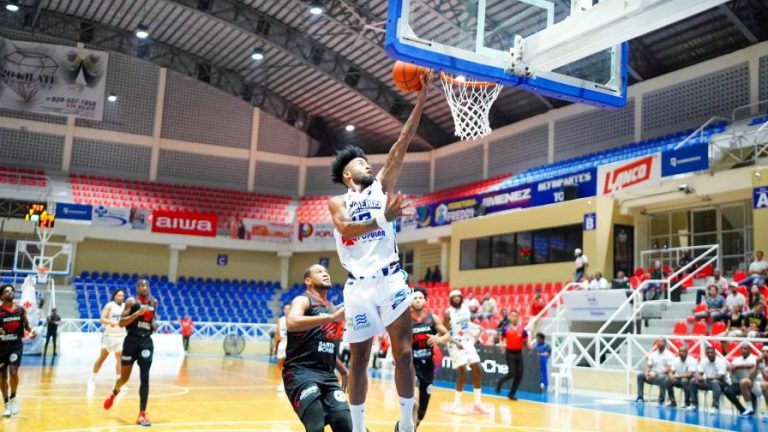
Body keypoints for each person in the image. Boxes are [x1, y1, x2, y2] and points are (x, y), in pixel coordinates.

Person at [328, 71, 433, 432]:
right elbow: (345, 229)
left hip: (390, 281)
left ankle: (406, 423)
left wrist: (420, 99)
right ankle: (358, 428)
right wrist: (382, 220)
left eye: (367, 162)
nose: (367, 164)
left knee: (403, 356)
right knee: (359, 362)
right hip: (358, 287)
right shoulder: (337, 201)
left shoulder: (380, 188)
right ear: (346, 174)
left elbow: (401, 142)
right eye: (359, 163)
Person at [283, 265, 351, 432]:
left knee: (345, 426)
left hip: (327, 376)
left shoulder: (332, 309)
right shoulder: (303, 300)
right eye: (319, 272)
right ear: (308, 281)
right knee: (316, 427)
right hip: (301, 373)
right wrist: (329, 318)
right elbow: (291, 323)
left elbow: (326, 347)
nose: (325, 274)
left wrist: (343, 370)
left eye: (326, 272)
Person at [103, 279, 159, 426]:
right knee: (124, 378)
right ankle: (114, 392)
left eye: (147, 285)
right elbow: (121, 323)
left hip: (146, 342)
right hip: (131, 341)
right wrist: (137, 314)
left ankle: (142, 414)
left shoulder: (154, 302)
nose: (145, 288)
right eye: (142, 286)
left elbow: (153, 319)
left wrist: (154, 325)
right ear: (137, 288)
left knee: (145, 377)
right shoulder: (131, 302)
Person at [410, 288, 456, 429]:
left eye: (420, 297)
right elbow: (397, 340)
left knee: (422, 409)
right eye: (415, 297)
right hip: (411, 366)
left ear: (425, 301)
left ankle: (413, 427)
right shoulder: (405, 320)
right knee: (414, 403)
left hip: (428, 367)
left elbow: (449, 334)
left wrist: (439, 339)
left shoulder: (432, 318)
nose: (417, 300)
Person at [444, 290, 488, 413]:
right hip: (455, 343)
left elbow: (466, 324)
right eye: (454, 297)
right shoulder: (448, 313)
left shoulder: (465, 309)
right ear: (451, 299)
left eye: (458, 296)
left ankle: (477, 403)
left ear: (462, 298)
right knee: (462, 372)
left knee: (478, 370)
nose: (457, 298)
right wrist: (455, 343)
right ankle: (456, 405)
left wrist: (477, 327)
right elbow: (445, 332)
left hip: (467, 341)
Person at [0, 284, 37, 417]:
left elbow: (26, 325)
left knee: (13, 372)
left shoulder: (20, 310)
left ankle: (13, 398)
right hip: (1, 348)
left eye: (12, 290)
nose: (10, 292)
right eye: (6, 291)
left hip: (16, 345)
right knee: (2, 376)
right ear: (1, 296)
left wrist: (32, 331)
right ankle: (6, 404)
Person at [88, 288, 127, 395]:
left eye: (123, 295)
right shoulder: (109, 305)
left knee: (120, 357)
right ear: (115, 296)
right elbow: (102, 319)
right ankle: (92, 379)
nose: (121, 297)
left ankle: (118, 383)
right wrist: (111, 322)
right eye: (119, 295)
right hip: (109, 336)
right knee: (102, 358)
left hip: (121, 336)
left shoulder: (125, 307)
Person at [495, 310, 528, 400]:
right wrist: (502, 344)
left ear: (518, 317)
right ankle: (500, 381)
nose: (514, 317)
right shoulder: (506, 329)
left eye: (515, 316)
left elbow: (525, 340)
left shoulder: (522, 330)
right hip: (509, 352)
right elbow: (502, 338)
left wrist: (528, 345)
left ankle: (511, 394)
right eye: (512, 316)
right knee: (512, 373)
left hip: (519, 353)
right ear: (510, 317)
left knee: (519, 374)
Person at [688, 346, 730, 413]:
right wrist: (698, 377)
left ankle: (715, 407)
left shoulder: (721, 362)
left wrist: (706, 378)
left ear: (715, 353)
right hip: (709, 382)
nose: (710, 354)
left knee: (715, 382)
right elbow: (699, 373)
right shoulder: (704, 361)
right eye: (708, 353)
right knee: (693, 381)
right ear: (706, 354)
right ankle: (694, 404)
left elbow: (720, 377)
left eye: (711, 352)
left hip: (723, 383)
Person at [634, 338, 674, 404]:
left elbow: (669, 368)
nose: (659, 343)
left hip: (664, 376)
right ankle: (640, 398)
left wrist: (656, 374)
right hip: (653, 375)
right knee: (640, 375)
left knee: (662, 378)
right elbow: (648, 366)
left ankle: (661, 401)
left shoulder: (669, 355)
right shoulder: (653, 354)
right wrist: (647, 373)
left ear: (665, 344)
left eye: (661, 342)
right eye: (658, 342)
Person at [727, 342, 756, 417]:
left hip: (752, 383)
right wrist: (730, 368)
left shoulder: (754, 358)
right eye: (742, 348)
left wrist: (736, 367)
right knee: (727, 390)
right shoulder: (737, 359)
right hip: (738, 383)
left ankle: (751, 410)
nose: (743, 350)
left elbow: (751, 365)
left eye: (745, 349)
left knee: (744, 383)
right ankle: (742, 409)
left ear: (750, 350)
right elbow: (730, 367)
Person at [747, 345, 768, 421]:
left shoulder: (762, 365)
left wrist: (761, 367)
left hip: (766, 386)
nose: (765, 353)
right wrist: (757, 365)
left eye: (767, 351)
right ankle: (749, 409)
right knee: (745, 382)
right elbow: (750, 377)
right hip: (760, 388)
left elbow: (766, 378)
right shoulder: (759, 363)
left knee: (764, 384)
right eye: (763, 351)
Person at [274, 305, 290, 392]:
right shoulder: (281, 320)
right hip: (282, 343)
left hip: (290, 343)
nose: (287, 311)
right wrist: (274, 347)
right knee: (279, 364)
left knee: (288, 364)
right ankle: (284, 380)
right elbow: (277, 334)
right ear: (284, 310)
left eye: (289, 309)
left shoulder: (294, 319)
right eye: (286, 309)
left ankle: (285, 383)